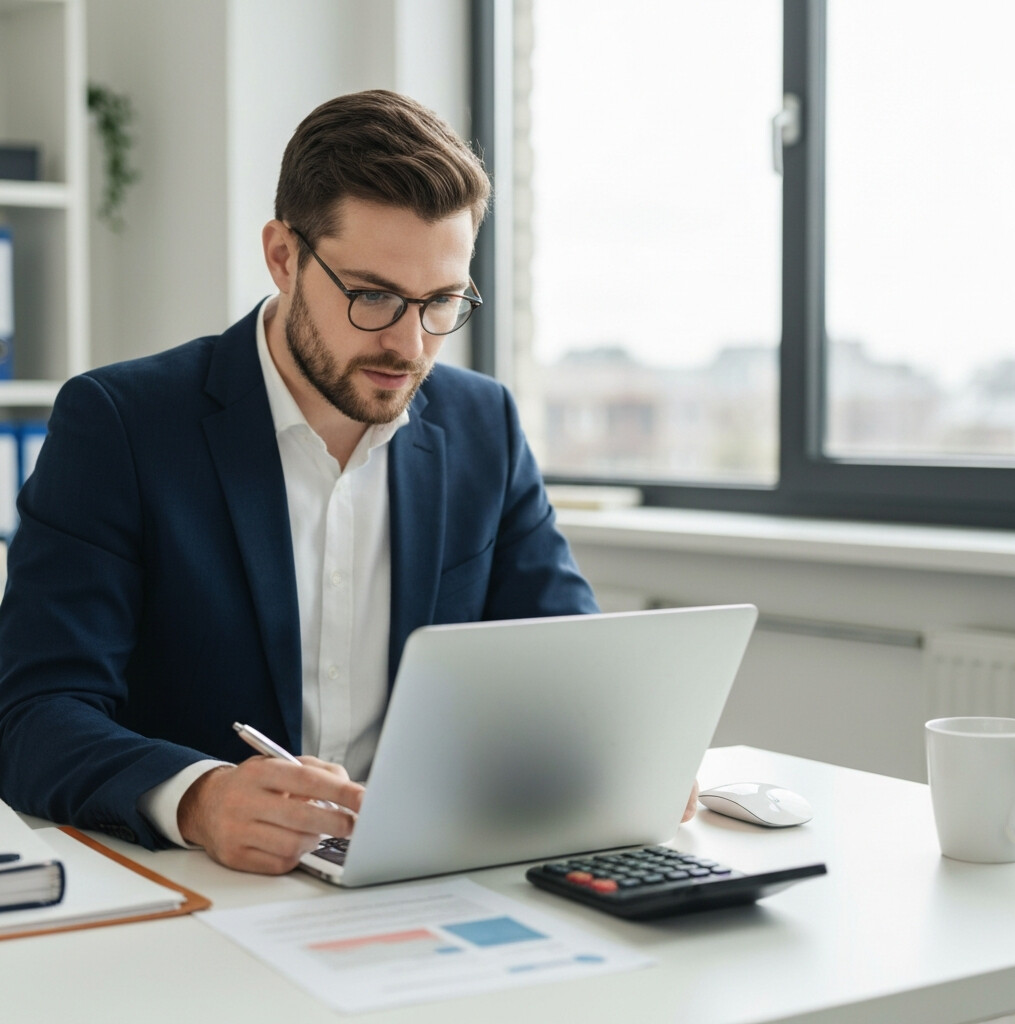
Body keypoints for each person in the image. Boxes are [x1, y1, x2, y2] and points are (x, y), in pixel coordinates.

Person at [0, 90, 694, 875]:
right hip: (207, 890)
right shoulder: (120, 424)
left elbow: (571, 669)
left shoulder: (482, 427)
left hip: (425, 876)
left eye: (440, 302)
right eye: (372, 296)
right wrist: (198, 799)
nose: (408, 343)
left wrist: (628, 757)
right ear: (283, 256)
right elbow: (32, 714)